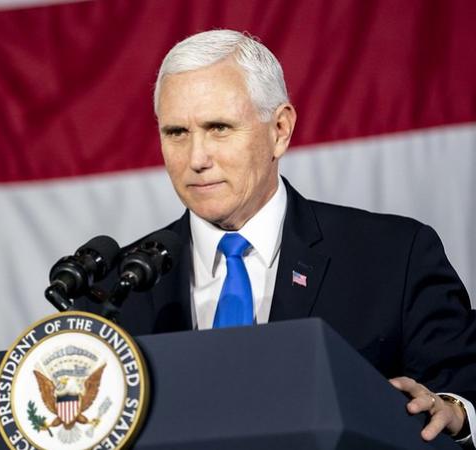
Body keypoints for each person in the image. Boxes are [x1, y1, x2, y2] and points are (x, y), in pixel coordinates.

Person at [81, 29, 476, 445]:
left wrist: (455, 410)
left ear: (280, 130)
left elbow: (463, 388)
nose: (196, 159)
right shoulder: (115, 290)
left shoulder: (395, 256)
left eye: (219, 128)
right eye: (177, 132)